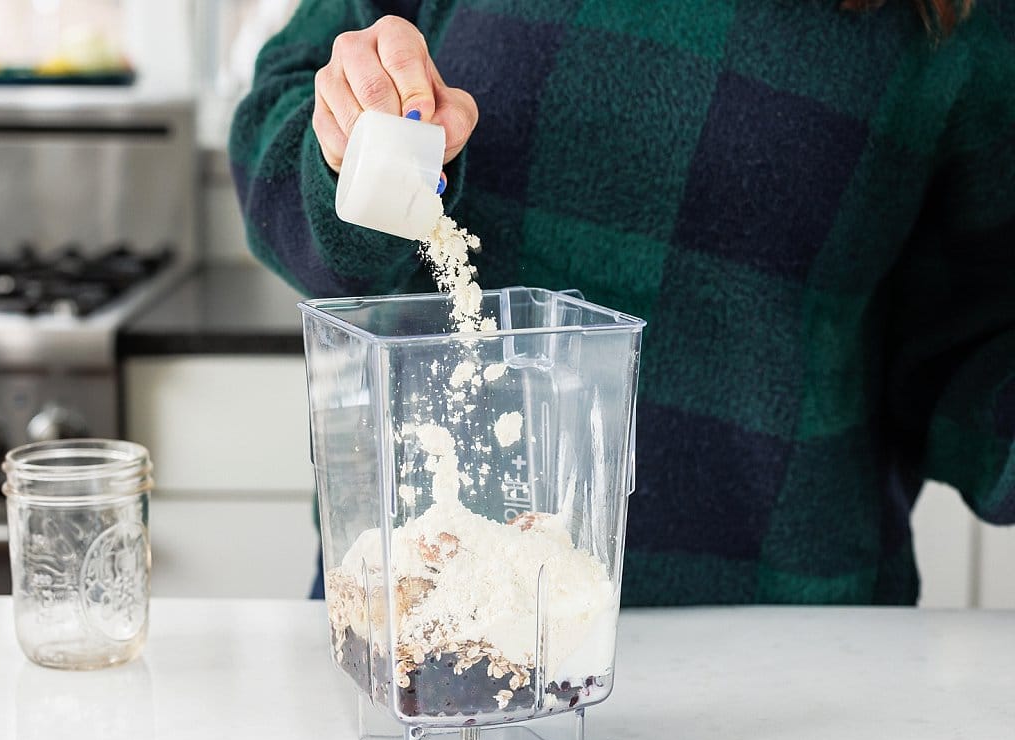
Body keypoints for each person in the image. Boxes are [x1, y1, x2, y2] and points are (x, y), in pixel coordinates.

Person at [230, 0, 1015, 605]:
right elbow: (273, 135)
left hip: (787, 653)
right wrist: (348, 151)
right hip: (428, 629)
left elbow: (970, 346)